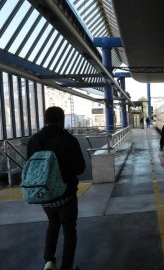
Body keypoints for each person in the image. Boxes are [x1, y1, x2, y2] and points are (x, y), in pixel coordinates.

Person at [27, 107, 85, 270]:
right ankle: (67, 266)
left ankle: (49, 262)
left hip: (44, 195)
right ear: (62, 120)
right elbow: (79, 167)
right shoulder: (68, 139)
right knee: (69, 229)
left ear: (45, 120)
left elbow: (30, 167)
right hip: (65, 195)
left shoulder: (34, 140)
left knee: (53, 223)